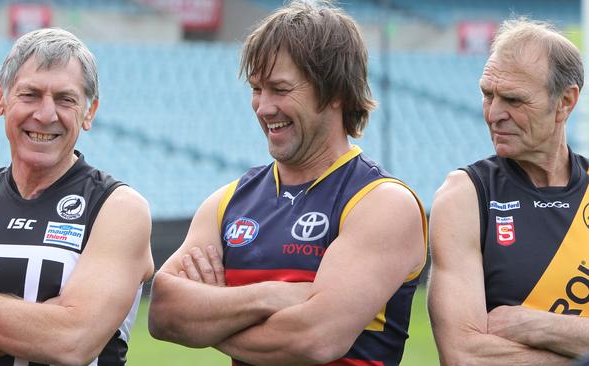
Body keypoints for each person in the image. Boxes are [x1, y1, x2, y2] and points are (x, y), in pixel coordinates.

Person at [148, 1, 427, 365]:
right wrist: (272, 296)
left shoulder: (383, 203)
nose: (263, 108)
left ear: (336, 93)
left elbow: (314, 339)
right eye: (256, 89)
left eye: (279, 90)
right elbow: (165, 312)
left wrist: (209, 321)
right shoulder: (227, 202)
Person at [0, 28, 154, 365]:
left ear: (89, 112)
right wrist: (44, 322)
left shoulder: (119, 208)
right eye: (30, 95)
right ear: (1, 98)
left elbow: (72, 341)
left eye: (66, 99)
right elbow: (61, 333)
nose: (46, 114)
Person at [428, 18, 589, 365]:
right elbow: (464, 356)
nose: (494, 114)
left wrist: (537, 326)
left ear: (565, 102)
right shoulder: (466, 195)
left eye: (514, 100)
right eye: (488, 95)